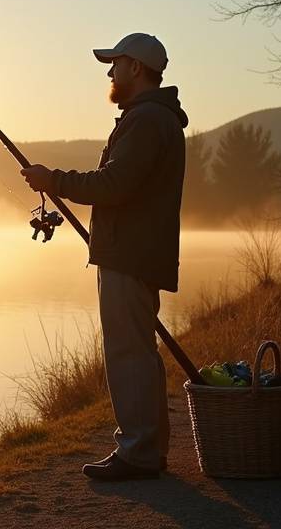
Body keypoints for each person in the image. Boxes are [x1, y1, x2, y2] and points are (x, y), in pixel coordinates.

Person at [21, 32, 187, 481]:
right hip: (133, 251)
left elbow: (112, 185)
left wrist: (52, 180)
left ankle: (138, 453)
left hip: (130, 255)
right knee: (138, 351)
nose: (110, 72)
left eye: (115, 64)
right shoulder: (150, 118)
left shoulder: (147, 120)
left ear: (136, 67)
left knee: (127, 353)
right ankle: (147, 448)